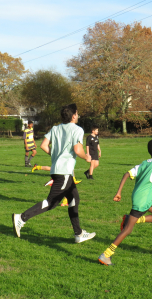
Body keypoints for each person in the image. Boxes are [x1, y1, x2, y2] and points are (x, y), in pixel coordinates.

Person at [12, 103, 96, 243]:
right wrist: (86, 157)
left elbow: (44, 145)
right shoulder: (77, 129)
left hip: (59, 170)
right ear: (74, 115)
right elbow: (77, 150)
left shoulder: (55, 128)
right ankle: (21, 218)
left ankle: (79, 234)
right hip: (64, 172)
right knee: (51, 202)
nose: (78, 116)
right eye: (78, 113)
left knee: (74, 199)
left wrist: (56, 156)